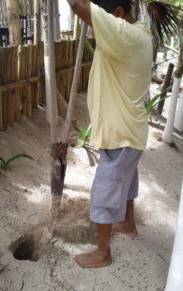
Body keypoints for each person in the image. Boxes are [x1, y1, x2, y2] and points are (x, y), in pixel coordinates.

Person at [66, 0, 153, 268]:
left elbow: (78, 5)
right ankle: (127, 224)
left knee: (104, 192)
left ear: (117, 13)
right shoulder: (138, 35)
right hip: (128, 132)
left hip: (121, 136)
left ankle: (103, 253)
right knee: (127, 181)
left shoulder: (125, 34)